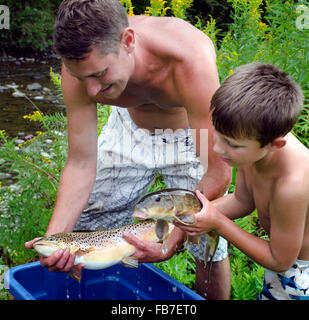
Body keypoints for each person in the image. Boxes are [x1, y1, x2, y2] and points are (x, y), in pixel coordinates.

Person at [25, 0, 232, 299]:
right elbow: (81, 163)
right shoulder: (79, 67)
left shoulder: (189, 58)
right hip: (127, 129)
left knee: (208, 241)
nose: (92, 91)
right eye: (83, 79)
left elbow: (218, 172)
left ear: (128, 41)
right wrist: (54, 241)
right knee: (86, 223)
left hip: (192, 136)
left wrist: (172, 240)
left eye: (100, 74)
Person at [174, 62, 309, 300]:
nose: (217, 148)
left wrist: (218, 223)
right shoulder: (251, 140)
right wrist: (187, 214)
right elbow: (243, 201)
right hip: (284, 261)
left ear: (274, 144)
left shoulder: (292, 185)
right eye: (217, 133)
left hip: (299, 275)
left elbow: (280, 260)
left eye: (232, 145)